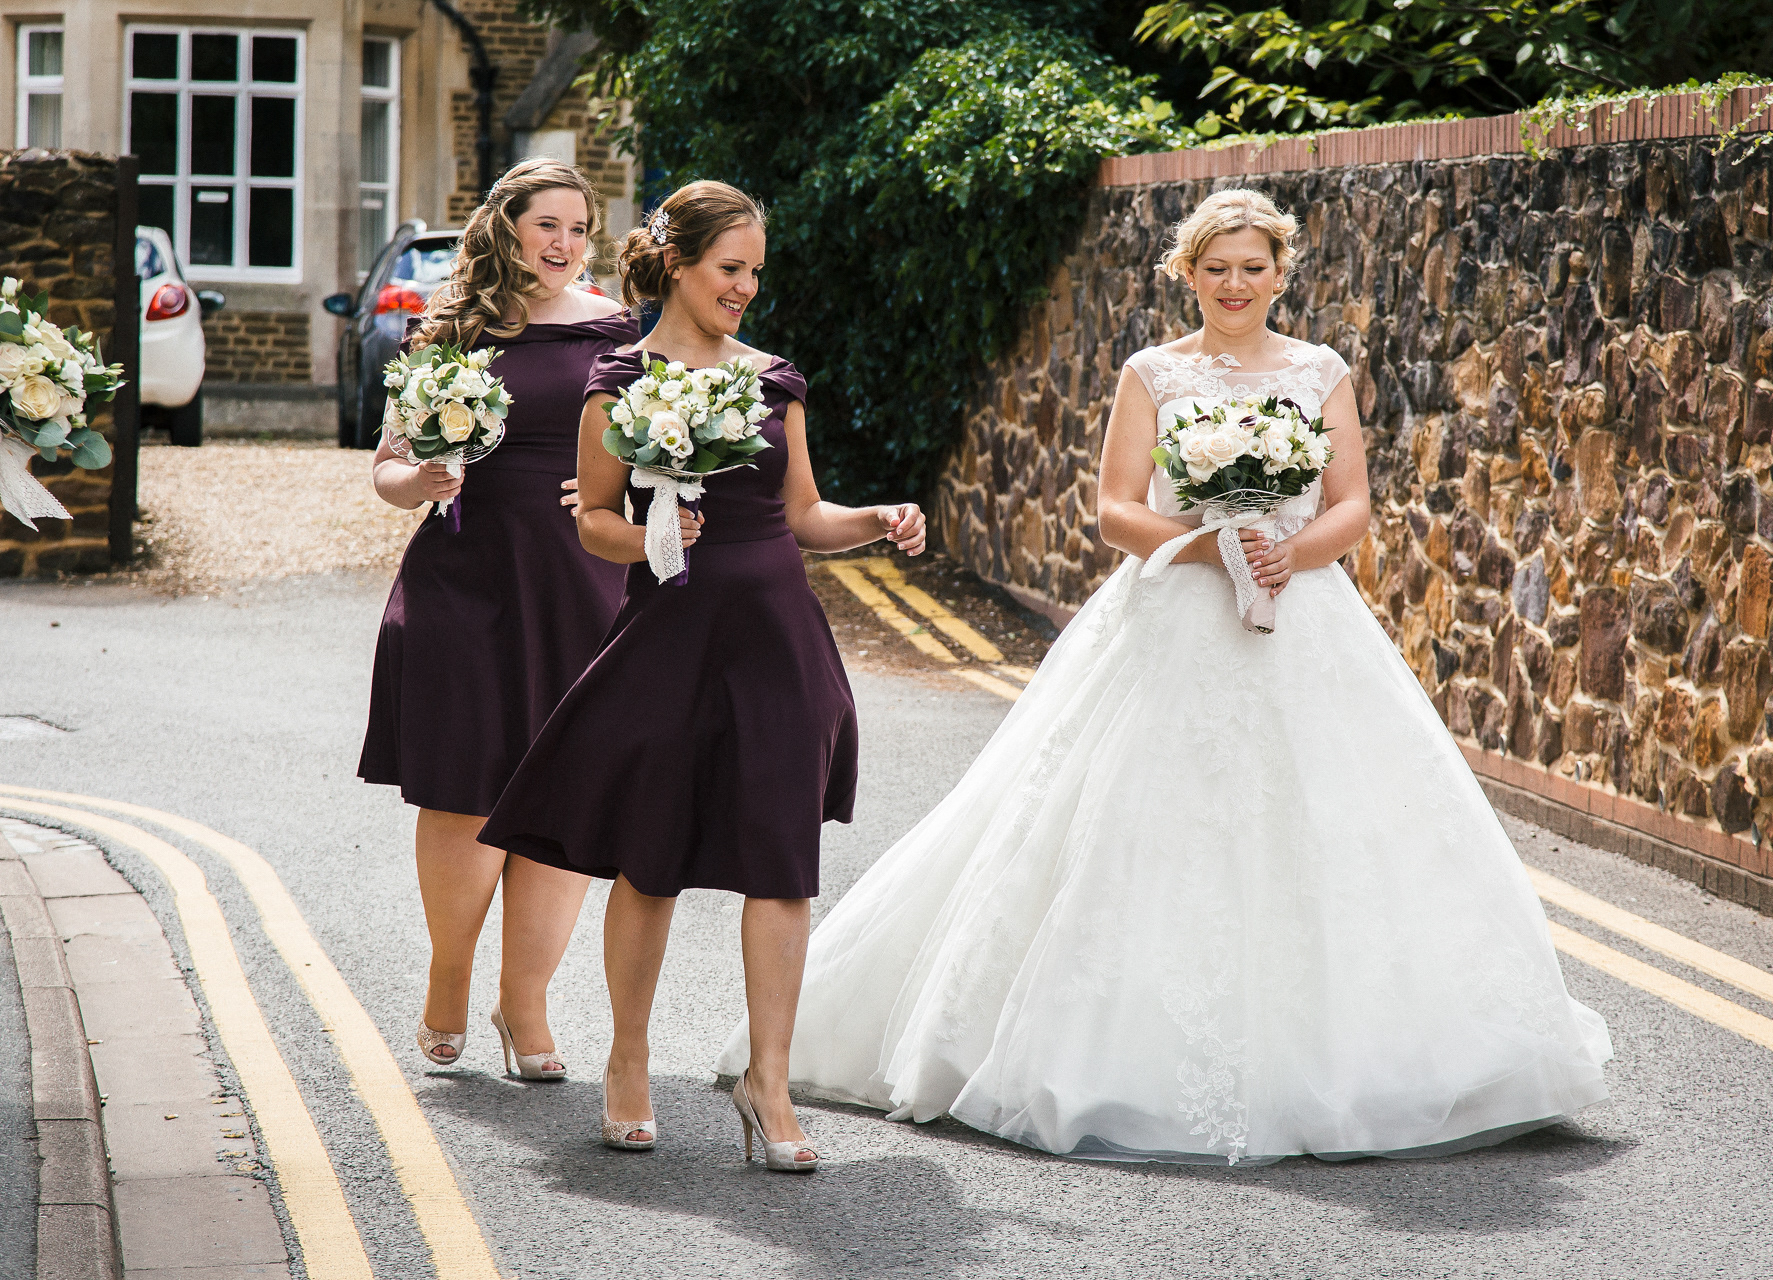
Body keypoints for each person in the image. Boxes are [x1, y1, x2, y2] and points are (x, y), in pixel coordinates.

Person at [714, 187, 1612, 1165]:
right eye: (1216, 267)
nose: (1235, 284)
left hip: (1303, 616)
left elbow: (1353, 504)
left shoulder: (1321, 372)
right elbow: (1114, 510)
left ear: (1282, 271)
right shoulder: (1153, 372)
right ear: (1186, 273)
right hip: (1174, 616)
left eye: (1253, 266)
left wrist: (1287, 552)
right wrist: (1209, 540)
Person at [478, 179, 928, 1171]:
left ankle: (769, 1082)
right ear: (677, 263)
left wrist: (880, 517)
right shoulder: (618, 377)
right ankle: (627, 1062)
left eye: (756, 274)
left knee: (782, 864)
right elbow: (592, 518)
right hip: (669, 637)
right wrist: (645, 534)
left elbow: (806, 515)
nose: (745, 289)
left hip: (777, 641)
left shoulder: (776, 379)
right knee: (652, 858)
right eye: (731, 269)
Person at [358, 158, 637, 1082]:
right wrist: (425, 480)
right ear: (507, 227)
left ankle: (526, 1004)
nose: (563, 244)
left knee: (562, 793)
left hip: (581, 583)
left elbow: (648, 458)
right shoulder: (452, 330)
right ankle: (448, 973)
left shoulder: (617, 330)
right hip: (462, 582)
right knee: (463, 786)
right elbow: (389, 470)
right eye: (546, 224)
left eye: (578, 228)